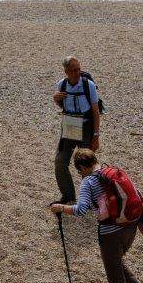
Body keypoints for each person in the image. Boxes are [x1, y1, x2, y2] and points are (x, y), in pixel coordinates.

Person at [50, 149, 143, 283]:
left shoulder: (88, 182)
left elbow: (81, 210)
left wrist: (61, 208)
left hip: (111, 233)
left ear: (81, 167)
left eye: (79, 171)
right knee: (116, 261)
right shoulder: (112, 171)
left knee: (115, 277)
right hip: (130, 225)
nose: (80, 175)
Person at [52, 56, 101, 204]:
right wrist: (55, 98)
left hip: (86, 126)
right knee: (60, 162)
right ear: (66, 71)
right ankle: (68, 196)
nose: (78, 72)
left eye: (78, 69)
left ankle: (91, 198)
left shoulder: (89, 85)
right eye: (74, 70)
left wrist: (96, 135)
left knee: (87, 164)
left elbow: (95, 111)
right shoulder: (61, 84)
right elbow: (61, 104)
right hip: (69, 125)